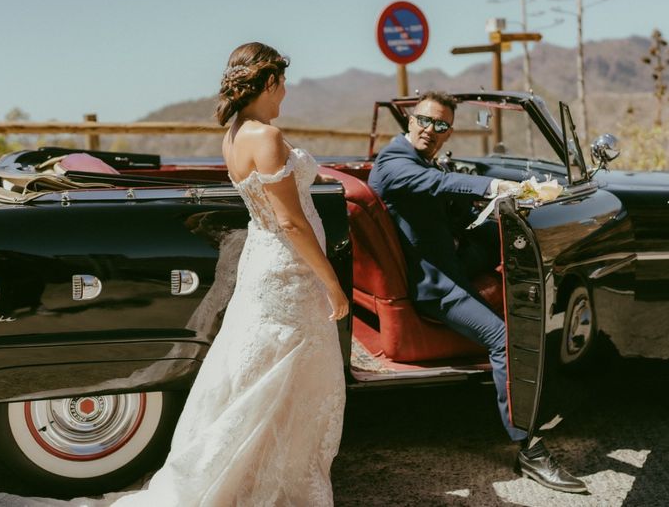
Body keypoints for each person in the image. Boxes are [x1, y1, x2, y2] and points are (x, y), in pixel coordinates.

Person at [113, 42, 348, 506]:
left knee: (256, 379)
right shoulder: (268, 136)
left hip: (264, 267)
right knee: (291, 380)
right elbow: (290, 222)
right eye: (283, 83)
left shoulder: (235, 134)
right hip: (289, 271)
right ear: (269, 83)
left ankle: (246, 478)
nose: (286, 93)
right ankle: (273, 486)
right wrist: (332, 282)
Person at [367, 91, 587, 494]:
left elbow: (440, 195)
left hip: (441, 259)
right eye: (425, 121)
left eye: (442, 126)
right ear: (411, 120)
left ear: (449, 132)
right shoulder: (394, 164)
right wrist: (500, 186)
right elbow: (439, 182)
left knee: (492, 244)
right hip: (433, 285)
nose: (431, 131)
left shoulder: (416, 159)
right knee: (504, 340)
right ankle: (529, 446)